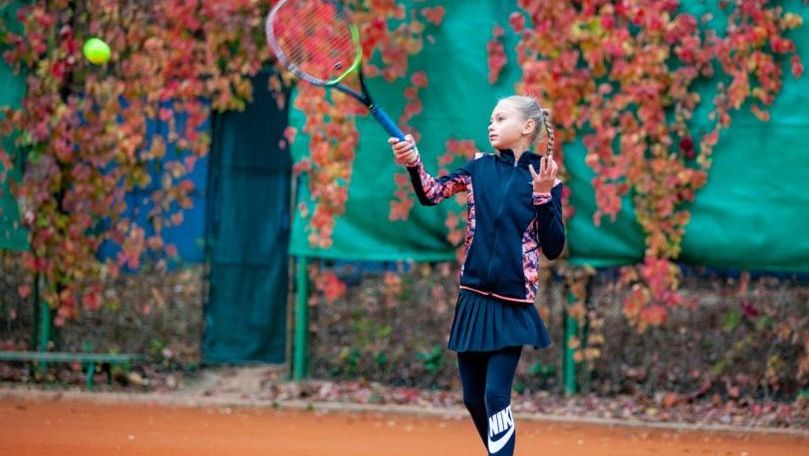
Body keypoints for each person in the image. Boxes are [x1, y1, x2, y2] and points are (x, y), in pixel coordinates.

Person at [388, 95, 565, 455]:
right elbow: (432, 192)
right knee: (473, 398)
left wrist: (544, 196)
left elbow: (554, 246)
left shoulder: (545, 177)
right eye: (490, 119)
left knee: (495, 395)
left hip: (512, 305)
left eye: (500, 118)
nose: (491, 125)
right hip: (472, 299)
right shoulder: (478, 168)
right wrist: (413, 163)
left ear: (527, 127)